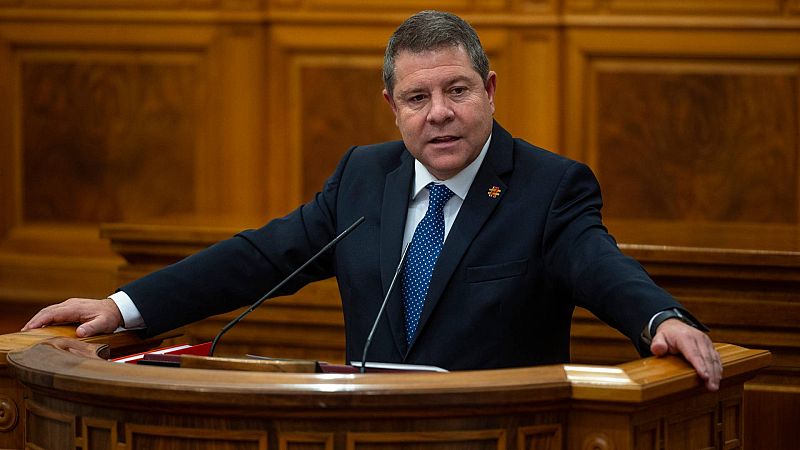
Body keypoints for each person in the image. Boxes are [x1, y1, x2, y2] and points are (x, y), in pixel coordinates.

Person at [23, 10, 721, 390]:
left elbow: (597, 263)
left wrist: (657, 317)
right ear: (393, 107)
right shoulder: (364, 176)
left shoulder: (548, 187)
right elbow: (262, 256)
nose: (439, 113)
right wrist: (122, 307)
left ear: (489, 91)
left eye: (457, 91)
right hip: (368, 433)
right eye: (418, 98)